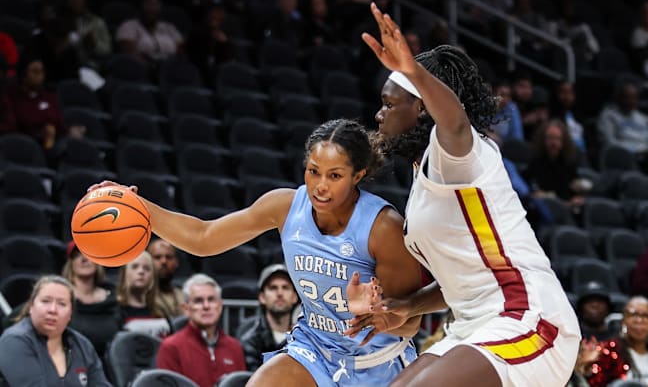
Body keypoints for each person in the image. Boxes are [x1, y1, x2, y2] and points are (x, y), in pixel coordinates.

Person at [88, 117, 424, 387]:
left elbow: (410, 324)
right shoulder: (284, 206)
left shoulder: (384, 228)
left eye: (335, 176)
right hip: (315, 351)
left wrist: (377, 313)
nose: (320, 186)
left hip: (377, 363)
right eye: (313, 171)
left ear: (358, 175)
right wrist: (137, 207)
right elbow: (204, 237)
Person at [346, 3, 581, 387]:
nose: (378, 114)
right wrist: (409, 306)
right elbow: (464, 278)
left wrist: (413, 71)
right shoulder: (423, 176)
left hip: (528, 316)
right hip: (471, 326)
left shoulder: (460, 152)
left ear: (422, 109)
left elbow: (453, 119)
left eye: (389, 104)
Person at [0, 275, 112, 386]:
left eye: (61, 304)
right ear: (31, 306)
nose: (52, 310)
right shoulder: (14, 341)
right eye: (45, 301)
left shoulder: (82, 344)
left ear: (70, 314)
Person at [157, 274, 247, 387]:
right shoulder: (171, 347)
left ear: (220, 306)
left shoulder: (235, 347)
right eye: (198, 301)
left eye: (211, 300)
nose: (206, 306)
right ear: (186, 309)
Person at [585, 296, 648, 387]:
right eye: (634, 314)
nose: (639, 320)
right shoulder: (609, 351)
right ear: (623, 320)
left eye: (645, 315)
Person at [62, 240, 121, 358]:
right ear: (70, 264)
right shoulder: (61, 297)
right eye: (77, 256)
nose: (84, 259)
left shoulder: (114, 297)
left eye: (88, 254)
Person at [237, 263, 299, 371]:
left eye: (285, 287)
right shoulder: (250, 340)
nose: (280, 293)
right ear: (262, 297)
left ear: (294, 297)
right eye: (273, 288)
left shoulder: (304, 339)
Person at [116, 251, 171, 337]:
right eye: (135, 267)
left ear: (153, 277)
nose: (141, 271)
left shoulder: (160, 311)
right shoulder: (115, 310)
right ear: (125, 273)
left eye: (147, 268)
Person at [115, 0, 183, 62]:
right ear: (140, 7)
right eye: (148, 4)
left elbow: (181, 48)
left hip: (172, 64)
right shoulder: (128, 26)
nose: (152, 8)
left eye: (155, 4)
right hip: (142, 66)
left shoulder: (169, 27)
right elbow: (130, 52)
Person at [147, 237, 185, 317]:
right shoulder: (140, 296)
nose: (164, 261)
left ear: (176, 262)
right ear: (147, 261)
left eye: (169, 257)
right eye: (157, 257)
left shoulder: (185, 296)